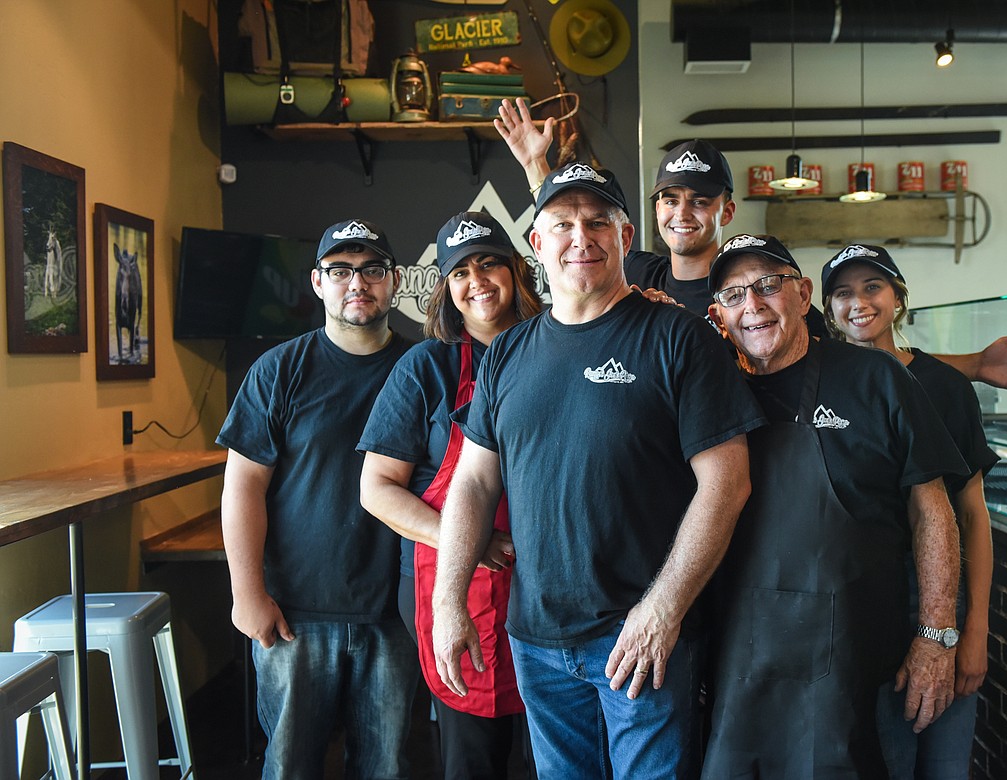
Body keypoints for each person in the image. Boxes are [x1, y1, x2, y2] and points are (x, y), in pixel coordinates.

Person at [430, 163, 766, 780]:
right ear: (537, 242)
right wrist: (447, 600)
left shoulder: (680, 339)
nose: (580, 237)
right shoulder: (508, 351)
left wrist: (663, 609)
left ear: (625, 235)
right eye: (561, 224)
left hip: (642, 636)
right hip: (536, 637)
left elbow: (728, 482)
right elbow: (474, 483)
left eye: (597, 222)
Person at [493, 98, 1007, 406]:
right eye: (668, 199)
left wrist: (974, 367)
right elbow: (569, 243)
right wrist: (534, 166)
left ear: (727, 210)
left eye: (700, 199)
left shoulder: (767, 296)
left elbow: (864, 365)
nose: (681, 212)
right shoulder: (635, 272)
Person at [701, 233, 968, 779]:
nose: (752, 306)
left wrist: (938, 635)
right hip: (738, 668)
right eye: (734, 295)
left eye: (768, 286)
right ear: (718, 315)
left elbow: (932, 510)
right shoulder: (706, 390)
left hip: (859, 669)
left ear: (802, 295)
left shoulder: (879, 379)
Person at [218, 218, 418, 779]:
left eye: (372, 270)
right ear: (316, 282)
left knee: (387, 768)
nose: (358, 283)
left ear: (394, 281)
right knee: (289, 767)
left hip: (394, 613)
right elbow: (243, 486)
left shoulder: (422, 366)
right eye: (341, 271)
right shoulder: (278, 371)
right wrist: (246, 594)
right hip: (294, 615)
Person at [358, 211, 541, 779]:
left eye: (489, 262)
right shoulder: (426, 368)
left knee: (557, 756)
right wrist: (471, 542)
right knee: (471, 758)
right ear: (445, 288)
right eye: (460, 271)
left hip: (552, 587)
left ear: (516, 269)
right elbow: (376, 490)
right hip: (456, 589)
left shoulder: (556, 349)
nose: (478, 279)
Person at [822, 244, 997, 779]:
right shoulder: (824, 383)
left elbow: (973, 516)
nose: (859, 303)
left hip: (941, 602)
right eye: (843, 293)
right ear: (826, 309)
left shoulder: (944, 385)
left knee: (943, 764)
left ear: (898, 298)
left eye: (873, 288)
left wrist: (974, 631)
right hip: (865, 605)